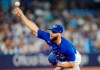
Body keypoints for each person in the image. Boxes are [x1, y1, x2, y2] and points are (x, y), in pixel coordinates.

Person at [15, 7, 81, 70]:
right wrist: (22, 15)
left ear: (60, 34)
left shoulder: (66, 47)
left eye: (54, 32)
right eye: (52, 31)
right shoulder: (48, 36)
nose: (52, 33)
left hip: (74, 60)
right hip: (63, 59)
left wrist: (57, 64)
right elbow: (34, 29)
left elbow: (72, 64)